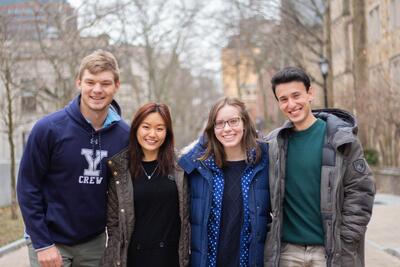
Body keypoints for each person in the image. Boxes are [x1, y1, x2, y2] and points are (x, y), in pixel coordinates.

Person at [17, 50, 130, 267]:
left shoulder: (124, 136)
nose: (97, 90)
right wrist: (42, 244)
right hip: (50, 240)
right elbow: (27, 187)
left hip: (94, 243)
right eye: (90, 82)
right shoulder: (48, 129)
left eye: (105, 83)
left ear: (117, 85)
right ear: (79, 82)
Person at [263, 66, 375, 267]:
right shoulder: (273, 144)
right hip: (288, 252)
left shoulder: (342, 140)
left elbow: (360, 191)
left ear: (310, 93)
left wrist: (347, 238)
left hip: (331, 251)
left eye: (296, 95)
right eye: (284, 99)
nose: (291, 104)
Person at [179, 97, 270, 267]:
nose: (227, 129)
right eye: (219, 123)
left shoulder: (265, 162)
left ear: (244, 123)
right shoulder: (199, 168)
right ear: (212, 129)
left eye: (233, 121)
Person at [101, 103, 190, 267]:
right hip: (133, 258)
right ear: (136, 128)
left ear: (167, 132)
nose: (152, 134)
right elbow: (114, 224)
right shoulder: (119, 168)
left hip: (170, 259)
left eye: (160, 128)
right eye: (146, 127)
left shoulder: (181, 166)